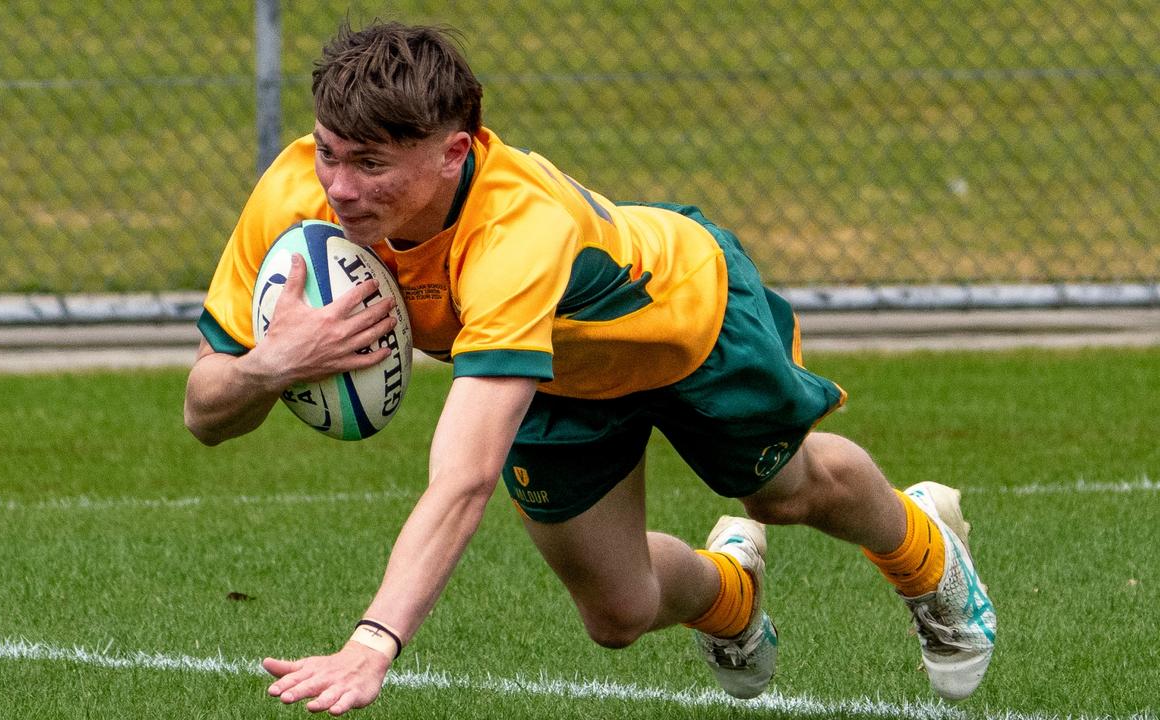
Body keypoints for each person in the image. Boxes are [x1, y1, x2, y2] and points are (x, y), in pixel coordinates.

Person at [184, 19, 996, 715]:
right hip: (550, 373)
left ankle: (924, 554)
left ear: (452, 153)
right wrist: (270, 365)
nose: (340, 187)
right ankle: (729, 595)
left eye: (370, 165)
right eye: (328, 153)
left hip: (687, 322)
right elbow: (203, 410)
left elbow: (464, 477)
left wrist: (373, 643)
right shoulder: (295, 194)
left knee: (784, 494)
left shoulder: (515, 232)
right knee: (618, 614)